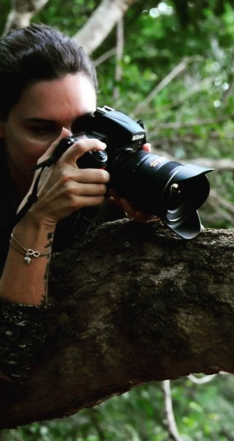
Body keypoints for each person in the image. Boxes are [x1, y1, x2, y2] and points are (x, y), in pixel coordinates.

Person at [0, 24, 150, 382]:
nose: (72, 148)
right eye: (41, 129)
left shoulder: (103, 168)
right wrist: (38, 220)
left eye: (85, 127)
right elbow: (8, 365)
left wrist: (147, 218)